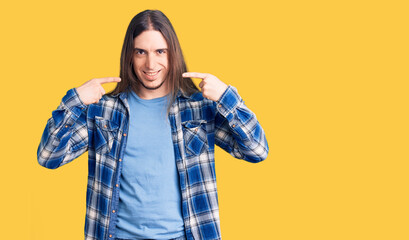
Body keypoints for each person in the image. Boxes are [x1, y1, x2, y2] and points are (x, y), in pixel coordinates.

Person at [37, 9, 268, 240]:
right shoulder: (103, 111)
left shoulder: (199, 107)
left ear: (172, 54)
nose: (150, 63)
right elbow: (49, 157)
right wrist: (74, 101)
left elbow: (257, 150)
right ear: (130, 55)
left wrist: (227, 97)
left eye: (160, 51)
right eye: (141, 52)